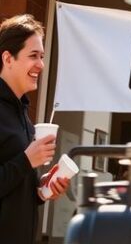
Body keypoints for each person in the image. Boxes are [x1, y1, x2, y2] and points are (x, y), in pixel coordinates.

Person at [0, 14, 69, 244]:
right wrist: (26, 161)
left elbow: (14, 187)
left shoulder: (25, 117)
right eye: (33, 56)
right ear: (8, 58)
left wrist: (42, 190)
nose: (40, 64)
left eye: (42, 56)